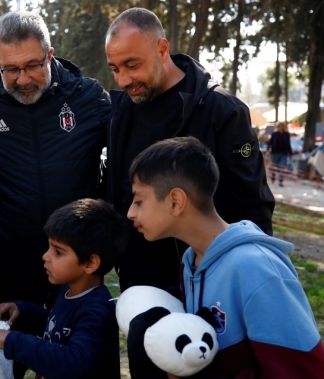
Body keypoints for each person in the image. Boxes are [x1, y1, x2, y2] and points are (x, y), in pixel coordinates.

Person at [0, 10, 111, 379]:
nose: (22, 79)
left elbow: (130, 156)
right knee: (6, 378)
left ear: (50, 55)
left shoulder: (89, 98)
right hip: (12, 273)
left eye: (32, 66)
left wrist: (102, 221)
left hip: (77, 274)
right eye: (10, 69)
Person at [128, 136, 324, 379]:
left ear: (175, 201)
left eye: (138, 200)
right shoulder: (192, 264)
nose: (130, 212)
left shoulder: (256, 269)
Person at [104, 7, 275, 298]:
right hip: (139, 283)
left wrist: (252, 282)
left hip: (208, 282)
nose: (123, 80)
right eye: (115, 68)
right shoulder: (121, 111)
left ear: (161, 49)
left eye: (132, 65)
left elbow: (252, 207)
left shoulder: (221, 111)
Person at [0, 198, 127, 379]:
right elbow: (60, 327)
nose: (45, 256)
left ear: (90, 263)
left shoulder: (97, 311)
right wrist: (25, 311)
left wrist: (11, 341)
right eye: (49, 247)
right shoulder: (69, 290)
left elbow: (75, 364)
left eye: (58, 252)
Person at [267, 122, 293, 186]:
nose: (281, 128)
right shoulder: (274, 134)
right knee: (274, 166)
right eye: (280, 126)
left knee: (282, 167)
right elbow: (270, 142)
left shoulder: (286, 134)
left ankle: (281, 181)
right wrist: (268, 150)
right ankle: (273, 176)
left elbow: (288, 144)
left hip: (283, 153)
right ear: (278, 127)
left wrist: (290, 153)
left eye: (282, 126)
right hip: (275, 152)